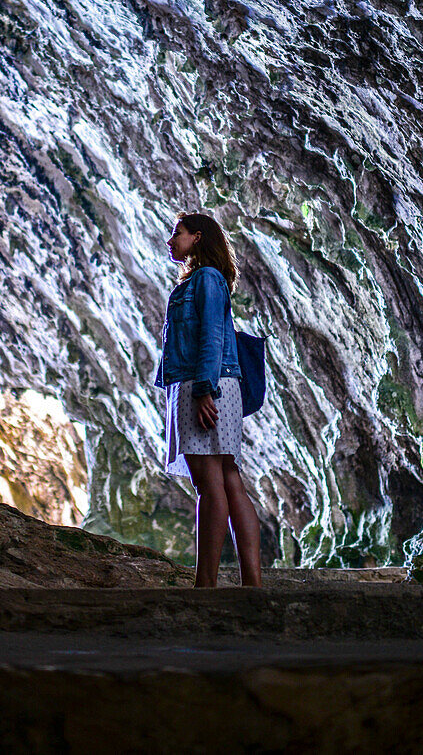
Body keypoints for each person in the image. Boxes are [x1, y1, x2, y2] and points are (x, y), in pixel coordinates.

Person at [154, 212, 263, 588]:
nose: (171, 241)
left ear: (198, 237)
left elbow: (212, 336)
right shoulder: (200, 280)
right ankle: (251, 584)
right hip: (209, 384)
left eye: (177, 233)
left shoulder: (207, 279)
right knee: (229, 478)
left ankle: (205, 585)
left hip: (205, 385)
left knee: (209, 485)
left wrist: (203, 390)